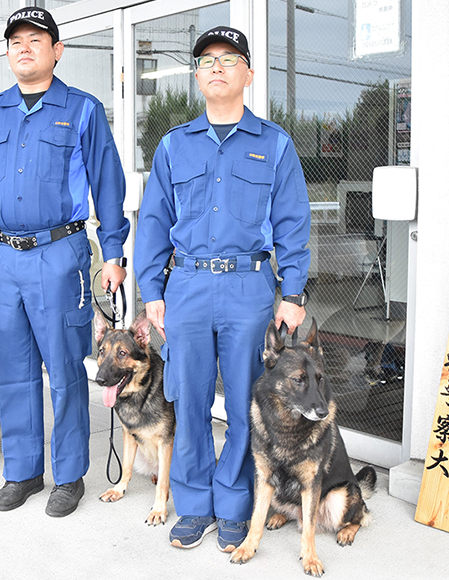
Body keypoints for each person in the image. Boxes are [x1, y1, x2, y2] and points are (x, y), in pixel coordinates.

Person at [134, 27, 311, 551]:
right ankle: (192, 505)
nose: (216, 67)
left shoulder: (274, 145)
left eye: (229, 59)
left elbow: (293, 223)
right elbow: (153, 222)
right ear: (196, 76)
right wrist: (152, 289)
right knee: (186, 401)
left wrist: (293, 293)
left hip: (248, 289)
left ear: (248, 74)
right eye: (206, 60)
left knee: (242, 405)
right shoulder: (173, 146)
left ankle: (234, 504)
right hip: (186, 286)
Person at [0, 8, 129, 518]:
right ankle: (24, 470)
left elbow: (108, 182)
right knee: (11, 369)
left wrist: (114, 252)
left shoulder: (82, 110)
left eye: (37, 39)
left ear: (57, 50)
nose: (24, 47)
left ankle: (69, 474)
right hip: (1, 254)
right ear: (7, 52)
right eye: (15, 41)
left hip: (60, 255)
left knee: (65, 369)